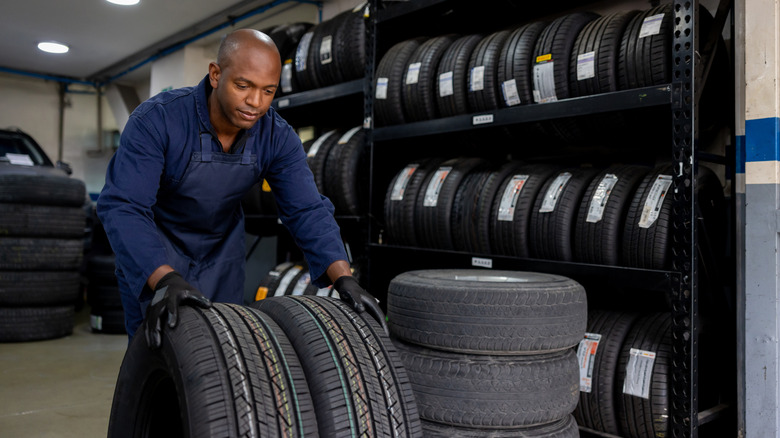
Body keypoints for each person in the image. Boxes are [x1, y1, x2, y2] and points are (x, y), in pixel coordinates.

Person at [97, 29, 385, 346]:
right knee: (157, 358)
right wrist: (163, 277)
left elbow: (307, 209)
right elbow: (123, 207)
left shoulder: (277, 136)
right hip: (153, 250)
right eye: (243, 86)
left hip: (221, 256)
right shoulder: (158, 120)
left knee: (223, 360)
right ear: (216, 74)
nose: (255, 103)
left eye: (268, 91)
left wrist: (343, 276)